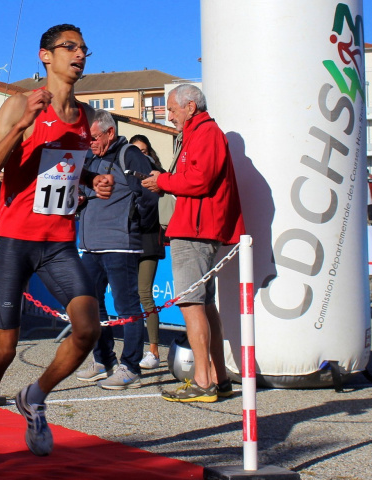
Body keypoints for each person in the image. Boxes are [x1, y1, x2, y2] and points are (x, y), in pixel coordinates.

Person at [0, 24, 114, 474]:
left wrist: (91, 180)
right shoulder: (18, 104)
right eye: (70, 48)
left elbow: (64, 169)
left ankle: (35, 396)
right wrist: (23, 125)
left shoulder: (84, 116)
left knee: (88, 329)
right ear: (46, 56)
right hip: (16, 242)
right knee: (4, 350)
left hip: (59, 244)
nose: (79, 54)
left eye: (84, 48)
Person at [142, 84, 245, 403]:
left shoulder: (205, 133)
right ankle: (218, 377)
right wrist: (166, 182)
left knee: (190, 302)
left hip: (197, 229)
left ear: (190, 106)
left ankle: (204, 380)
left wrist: (163, 180)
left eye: (172, 109)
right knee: (201, 303)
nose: (169, 115)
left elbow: (200, 180)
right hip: (195, 226)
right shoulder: (199, 133)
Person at [74, 111, 159, 390]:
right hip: (91, 245)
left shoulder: (129, 154)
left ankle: (131, 366)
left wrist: (134, 227)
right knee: (90, 305)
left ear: (110, 133)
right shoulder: (91, 158)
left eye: (94, 137)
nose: (90, 143)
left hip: (121, 246)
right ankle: (104, 361)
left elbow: (148, 194)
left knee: (127, 307)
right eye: (87, 138)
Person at [130, 134, 166, 369]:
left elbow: (154, 205)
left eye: (143, 151)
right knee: (130, 297)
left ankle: (153, 350)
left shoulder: (157, 176)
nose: (140, 155)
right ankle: (132, 350)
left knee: (144, 293)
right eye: (135, 151)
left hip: (149, 239)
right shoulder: (126, 174)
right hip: (128, 239)